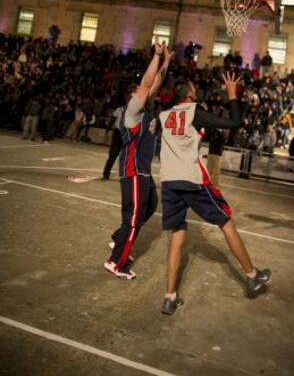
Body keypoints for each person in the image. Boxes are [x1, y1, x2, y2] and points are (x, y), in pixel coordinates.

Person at [159, 73, 271, 315]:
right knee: (226, 222)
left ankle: (169, 297)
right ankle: (252, 276)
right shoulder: (194, 110)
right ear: (189, 94)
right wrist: (232, 94)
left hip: (169, 182)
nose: (195, 89)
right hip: (191, 180)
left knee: (177, 237)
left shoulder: (163, 115)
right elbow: (234, 123)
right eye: (192, 86)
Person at [104, 40, 173, 280]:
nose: (146, 93)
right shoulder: (130, 112)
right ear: (132, 97)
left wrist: (166, 62)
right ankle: (116, 262)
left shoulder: (143, 110)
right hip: (133, 171)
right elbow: (146, 84)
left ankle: (118, 239)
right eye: (140, 92)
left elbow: (152, 85)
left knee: (150, 206)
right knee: (133, 218)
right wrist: (155, 56)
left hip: (143, 171)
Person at [101, 106, 124, 181]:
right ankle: (106, 174)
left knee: (126, 156)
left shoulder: (137, 110)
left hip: (129, 134)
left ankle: (125, 177)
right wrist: (108, 129)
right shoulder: (120, 109)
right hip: (118, 132)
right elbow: (113, 119)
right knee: (112, 154)